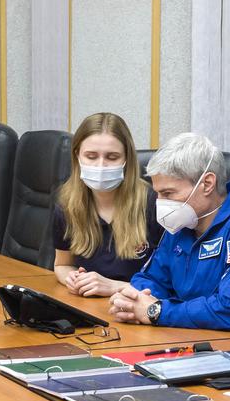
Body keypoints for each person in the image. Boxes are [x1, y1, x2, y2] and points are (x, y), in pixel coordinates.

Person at [110, 133, 230, 330]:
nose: (160, 203)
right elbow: (151, 279)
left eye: (168, 193)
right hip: (181, 336)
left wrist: (158, 311)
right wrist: (132, 302)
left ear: (207, 184)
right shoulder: (183, 220)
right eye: (157, 193)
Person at [52, 112, 163, 298]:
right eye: (91, 156)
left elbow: (171, 284)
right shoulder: (67, 206)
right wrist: (73, 279)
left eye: (112, 157)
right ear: (77, 156)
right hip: (89, 306)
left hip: (138, 307)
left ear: (127, 159)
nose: (101, 165)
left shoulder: (154, 203)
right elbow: (62, 264)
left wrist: (115, 287)